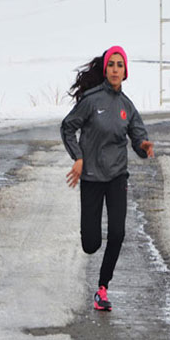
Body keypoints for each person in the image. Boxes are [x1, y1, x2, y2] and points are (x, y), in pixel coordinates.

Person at [60, 46, 154, 310]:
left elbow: (138, 137)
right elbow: (67, 127)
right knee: (91, 244)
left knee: (118, 233)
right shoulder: (91, 100)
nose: (115, 69)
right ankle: (92, 244)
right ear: (105, 70)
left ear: (125, 72)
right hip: (90, 177)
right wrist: (78, 157)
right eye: (111, 64)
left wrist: (143, 147)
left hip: (116, 177)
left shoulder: (127, 107)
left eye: (120, 65)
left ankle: (102, 288)